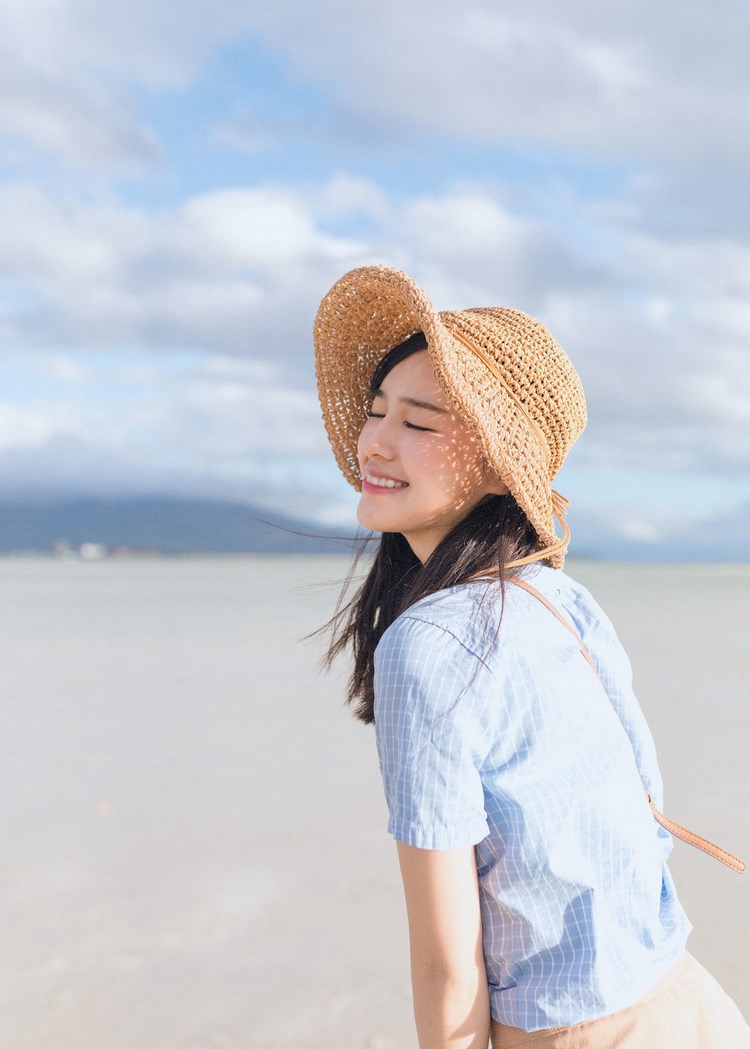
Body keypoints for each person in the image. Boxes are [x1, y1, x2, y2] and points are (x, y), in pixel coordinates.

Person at [313, 264, 749, 1049]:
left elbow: (448, 965)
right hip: (689, 1002)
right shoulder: (557, 595)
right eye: (377, 411)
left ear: (494, 463)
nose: (374, 440)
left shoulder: (428, 643)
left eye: (418, 423)